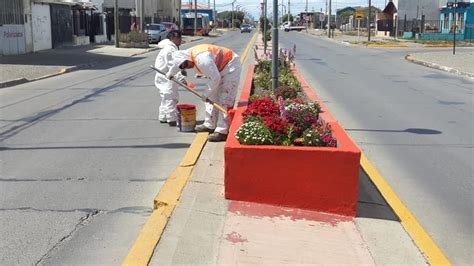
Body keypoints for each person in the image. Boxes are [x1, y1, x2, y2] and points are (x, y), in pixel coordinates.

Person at [167, 44, 241, 142]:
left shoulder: (202, 59)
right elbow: (177, 66)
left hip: (230, 67)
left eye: (186, 64)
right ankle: (210, 125)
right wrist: (170, 74)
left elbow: (216, 78)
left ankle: (222, 131)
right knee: (211, 99)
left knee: (224, 99)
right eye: (183, 67)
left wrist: (206, 94)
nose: (187, 67)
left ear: (187, 59)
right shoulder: (185, 56)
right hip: (217, 70)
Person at [154, 30, 186, 126]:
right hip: (167, 77)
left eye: (180, 37)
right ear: (172, 38)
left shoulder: (170, 48)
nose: (180, 40)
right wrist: (181, 79)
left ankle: (163, 116)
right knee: (171, 98)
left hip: (163, 76)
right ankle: (171, 119)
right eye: (178, 38)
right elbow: (173, 66)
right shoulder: (170, 50)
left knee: (166, 97)